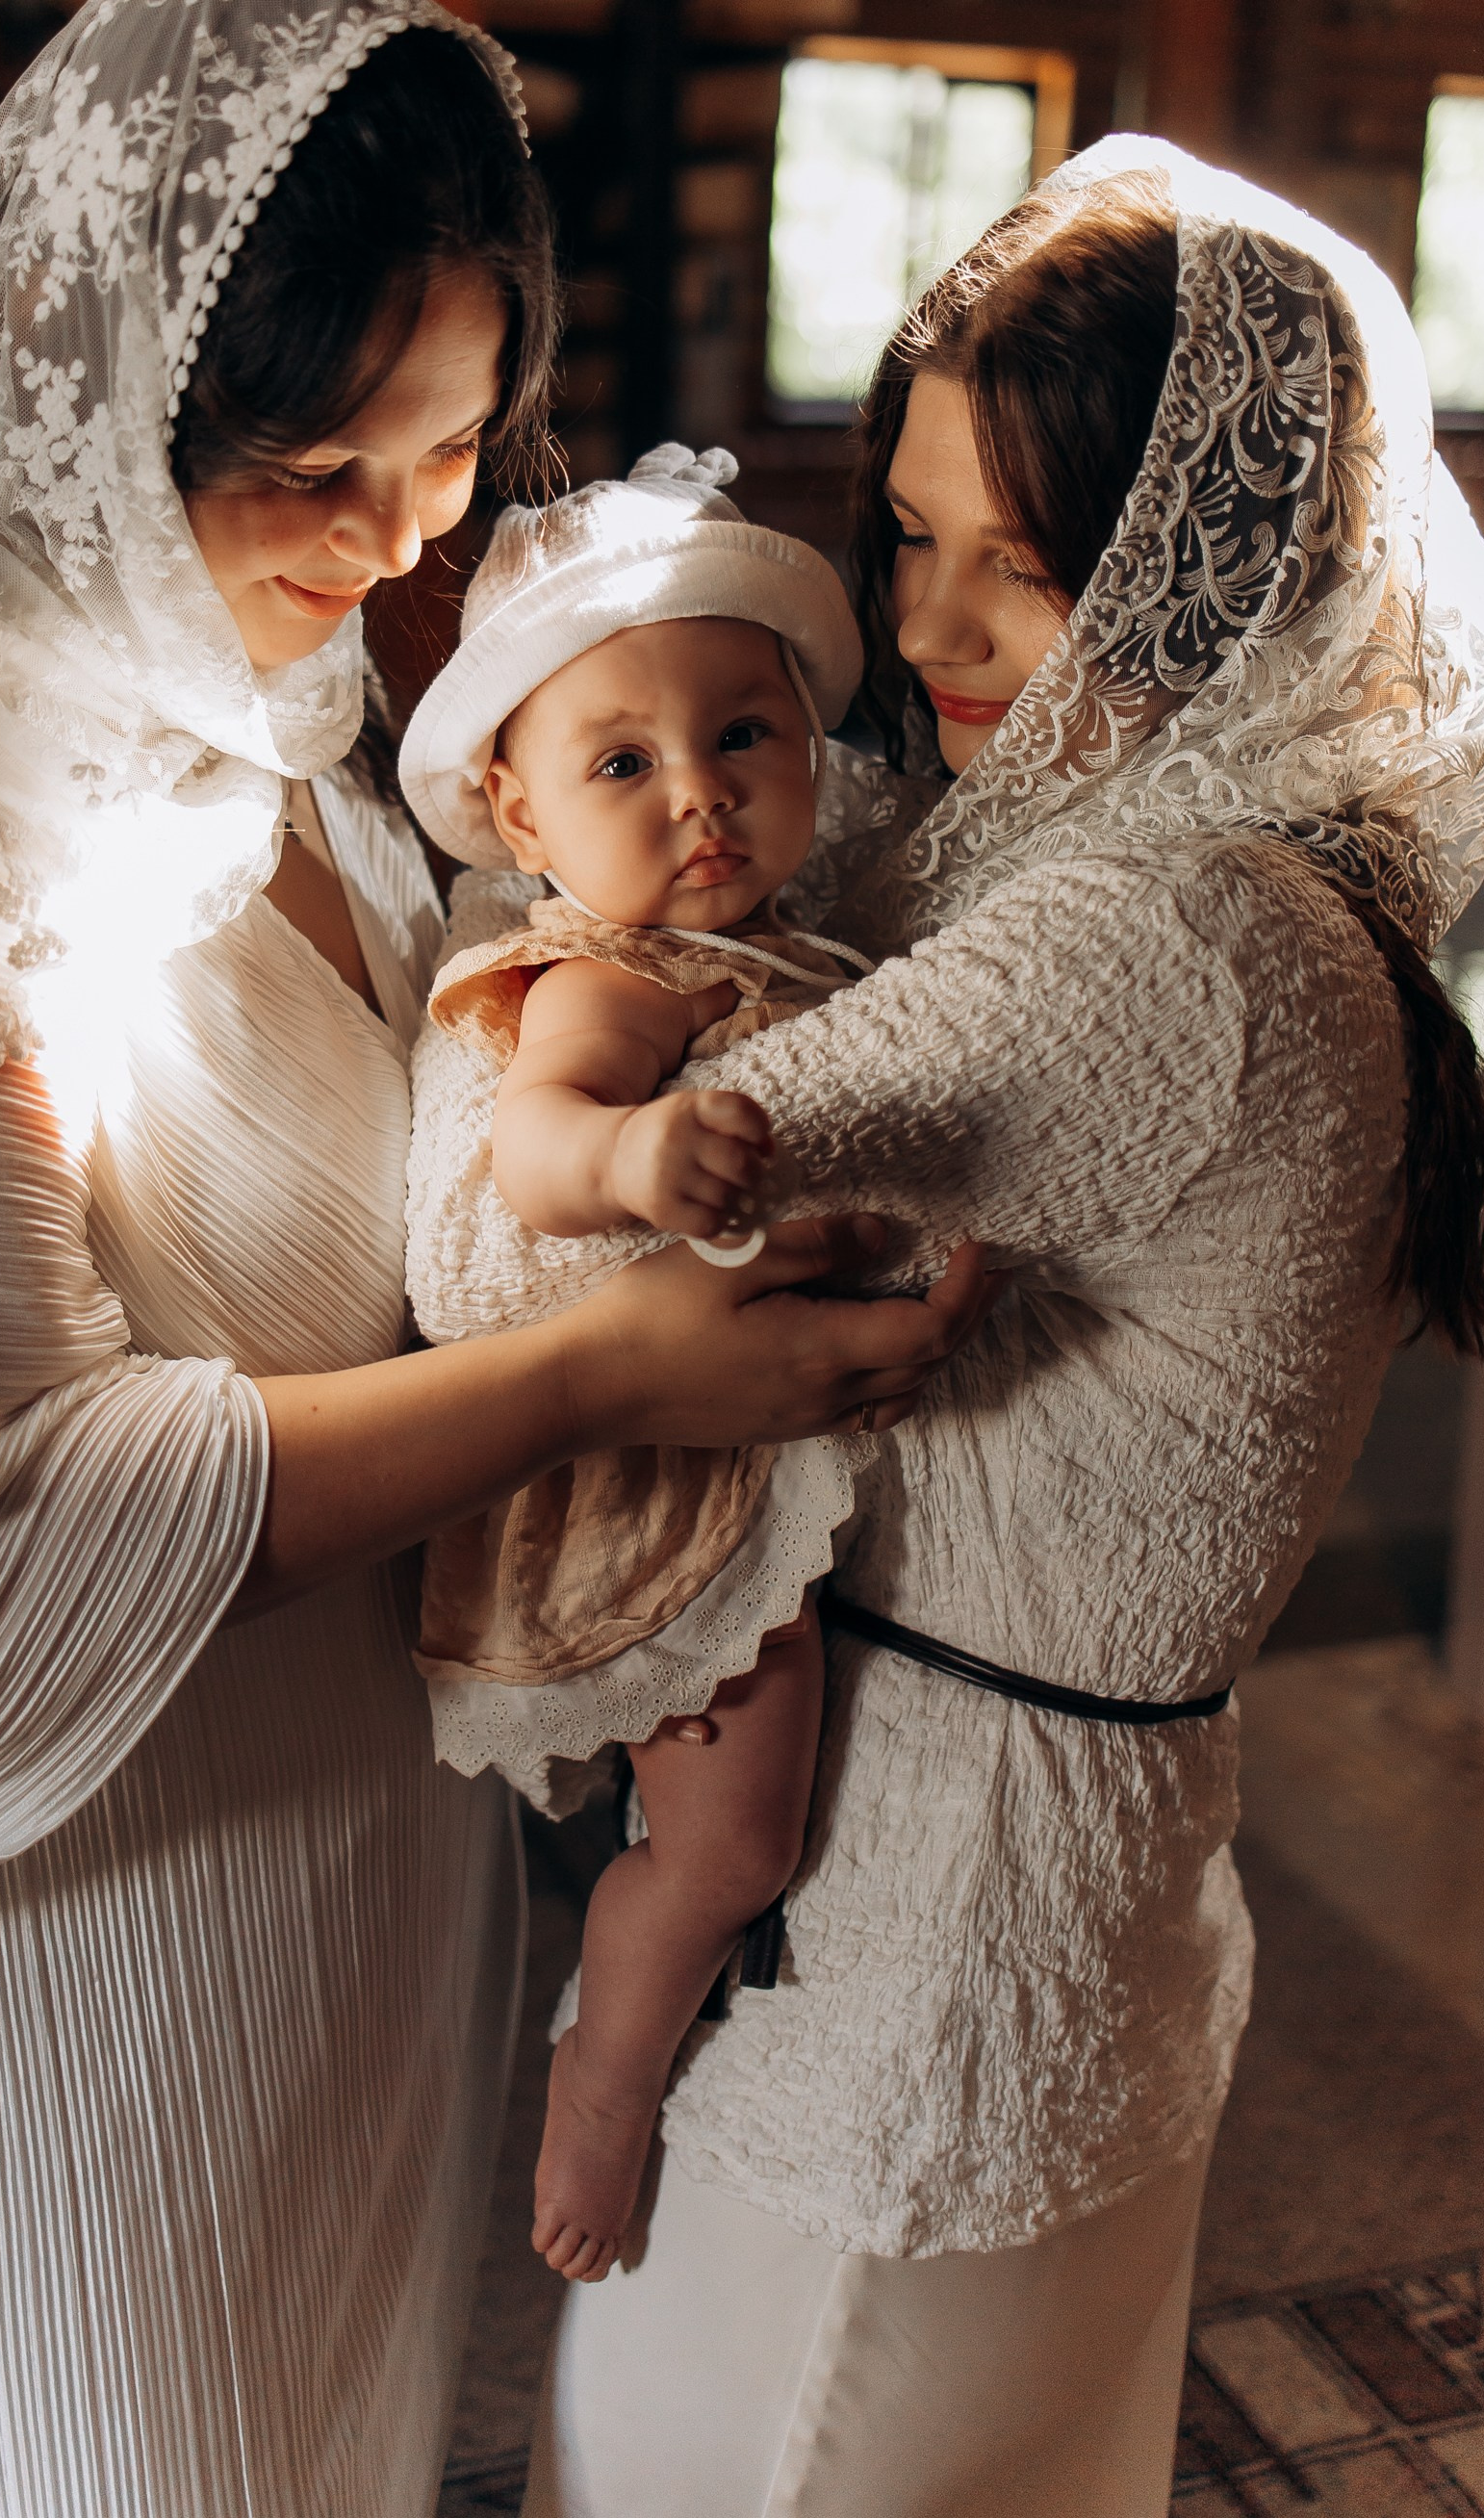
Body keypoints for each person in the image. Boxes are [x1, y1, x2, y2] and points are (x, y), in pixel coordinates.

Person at [0, 0, 989, 2518]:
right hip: (39, 1964)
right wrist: (607, 1378)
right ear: (104, 360)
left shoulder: (214, 669)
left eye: (457, 448)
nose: (392, 551)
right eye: (318, 470)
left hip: (328, 1883)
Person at [418, 141, 1484, 2516]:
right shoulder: (1051, 839)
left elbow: (508, 1256)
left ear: (1201, 577)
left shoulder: (1161, 943)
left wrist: (504, 1003)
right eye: (908, 534)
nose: (930, 629)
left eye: (1020, 571)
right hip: (1040, 1912)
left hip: (925, 1976)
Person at [401, 443, 917, 2285]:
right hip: (671, 1491)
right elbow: (527, 1151)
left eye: (744, 739)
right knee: (730, 1846)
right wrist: (628, 1157)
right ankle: (607, 2077)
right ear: (523, 820)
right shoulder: (615, 972)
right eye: (624, 764)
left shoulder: (777, 940)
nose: (699, 799)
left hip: (745, 1447)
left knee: (741, 1825)